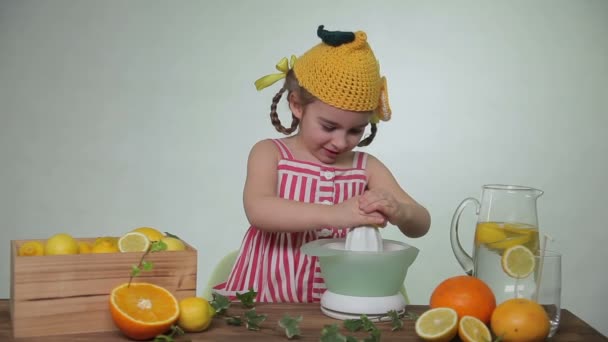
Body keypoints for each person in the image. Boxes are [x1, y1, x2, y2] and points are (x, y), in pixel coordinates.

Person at [213, 25, 430, 303]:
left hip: (342, 302)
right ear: (297, 105)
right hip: (266, 301)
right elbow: (259, 209)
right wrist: (335, 214)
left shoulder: (366, 167)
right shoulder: (270, 153)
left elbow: (421, 222)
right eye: (329, 126)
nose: (341, 142)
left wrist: (399, 210)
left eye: (355, 131)